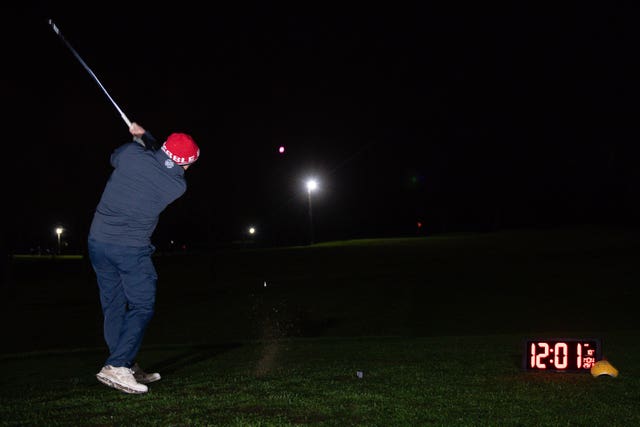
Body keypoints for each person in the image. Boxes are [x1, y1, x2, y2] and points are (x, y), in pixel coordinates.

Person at [88, 122, 200, 394]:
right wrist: (144, 137)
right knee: (142, 305)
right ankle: (117, 365)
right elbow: (164, 164)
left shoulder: (130, 155)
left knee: (113, 306)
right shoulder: (176, 185)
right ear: (183, 165)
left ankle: (124, 361)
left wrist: (140, 140)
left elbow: (120, 157)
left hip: (98, 243)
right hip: (130, 250)